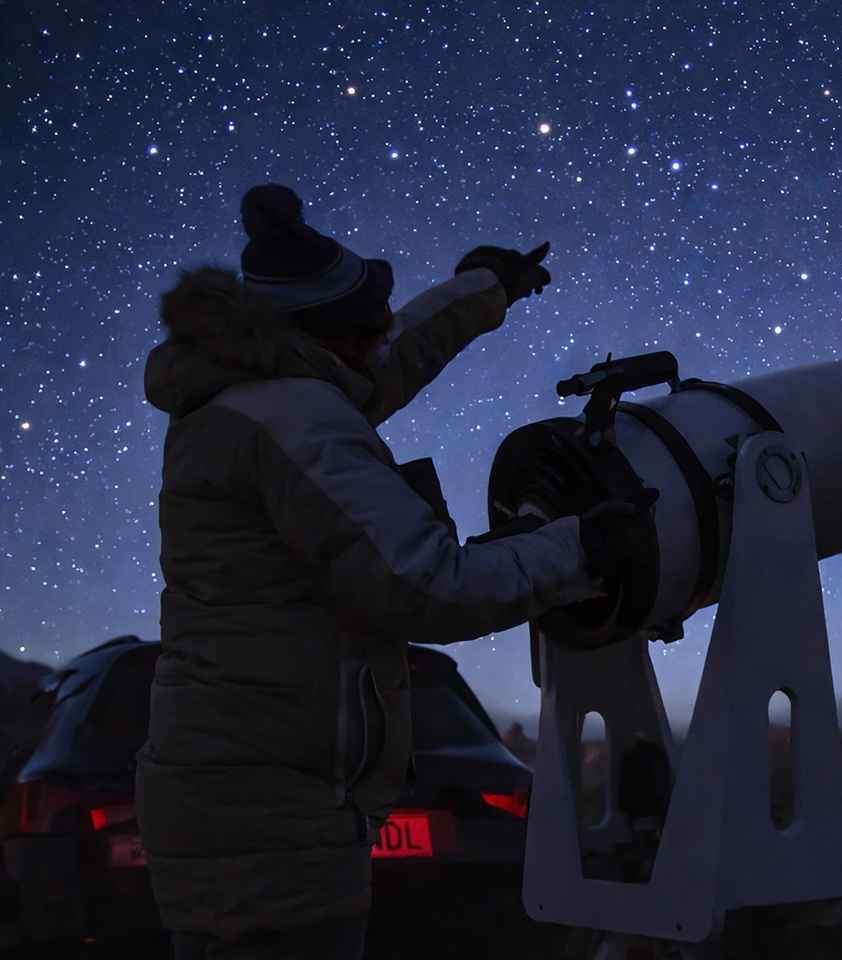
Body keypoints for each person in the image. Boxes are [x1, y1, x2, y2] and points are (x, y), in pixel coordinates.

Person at [137, 183, 649, 959]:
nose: (378, 338)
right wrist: (580, 549)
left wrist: (484, 290)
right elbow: (426, 584)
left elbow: (390, 354)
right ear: (319, 335)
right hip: (272, 821)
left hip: (242, 793)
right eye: (362, 328)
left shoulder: (258, 384)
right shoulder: (292, 422)